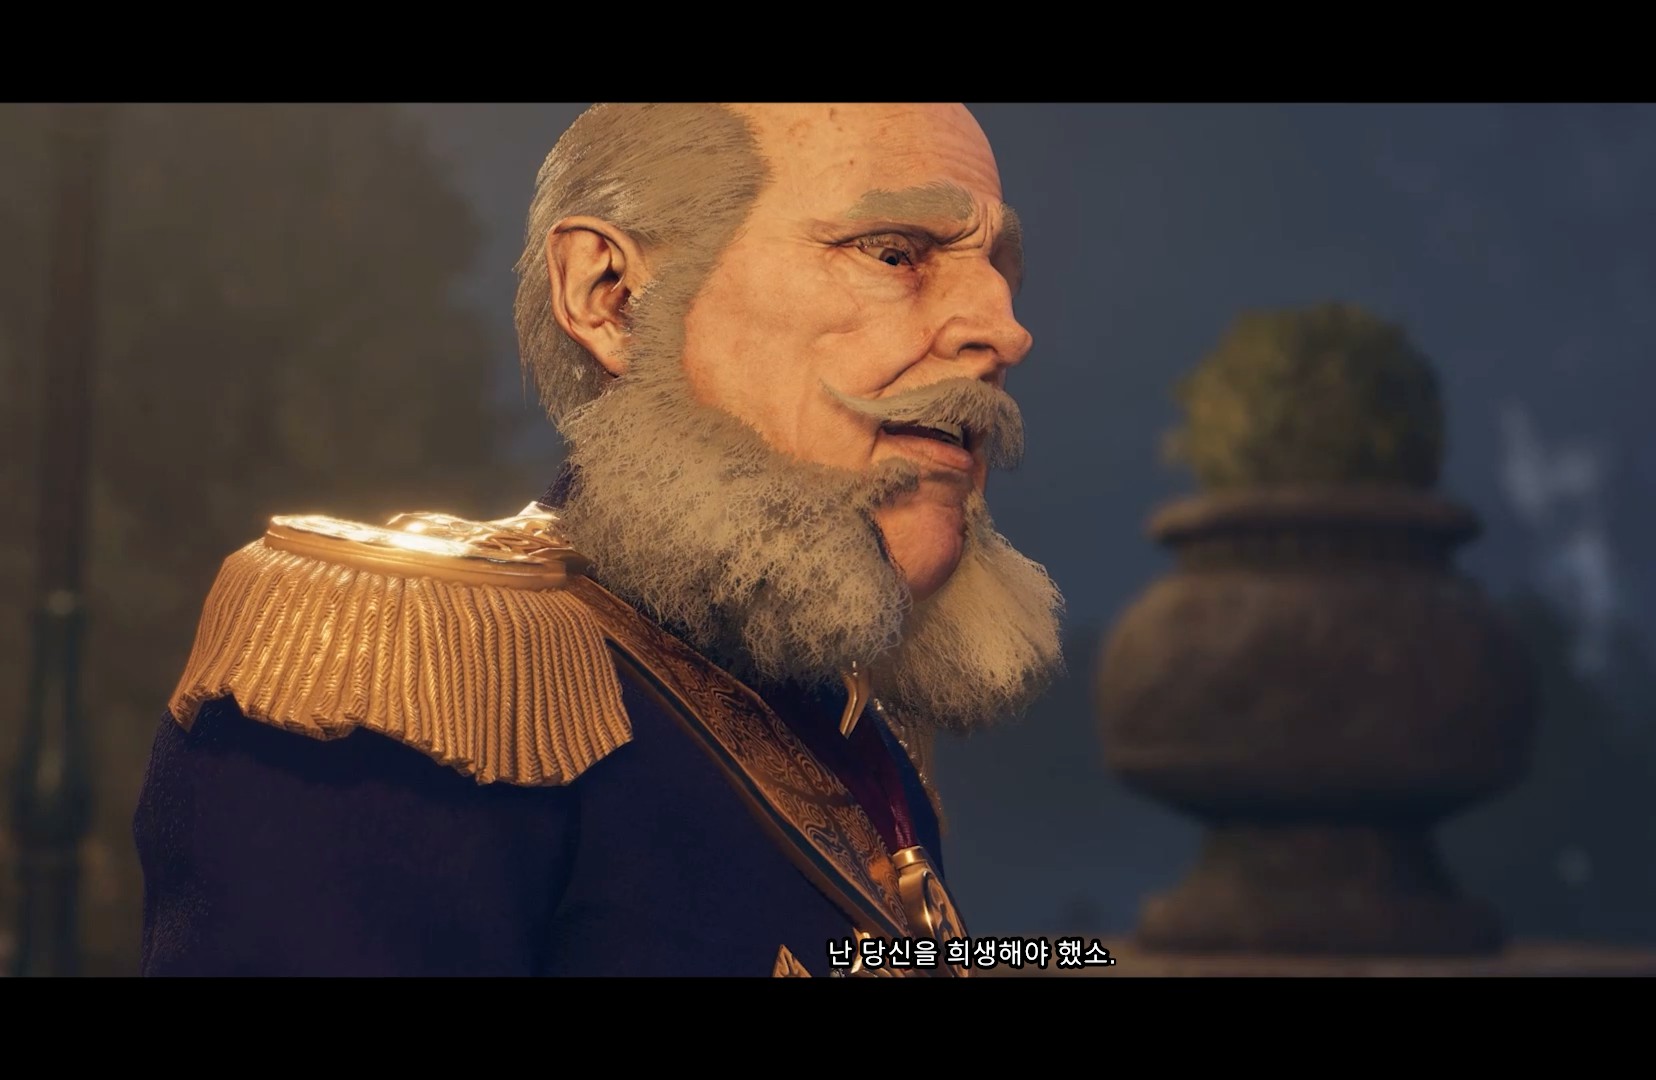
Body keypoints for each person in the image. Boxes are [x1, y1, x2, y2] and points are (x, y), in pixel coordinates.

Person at [133, 103, 1064, 977]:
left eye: (1000, 273)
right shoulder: (409, 675)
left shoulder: (858, 735)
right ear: (612, 297)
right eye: (895, 253)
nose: (1004, 330)